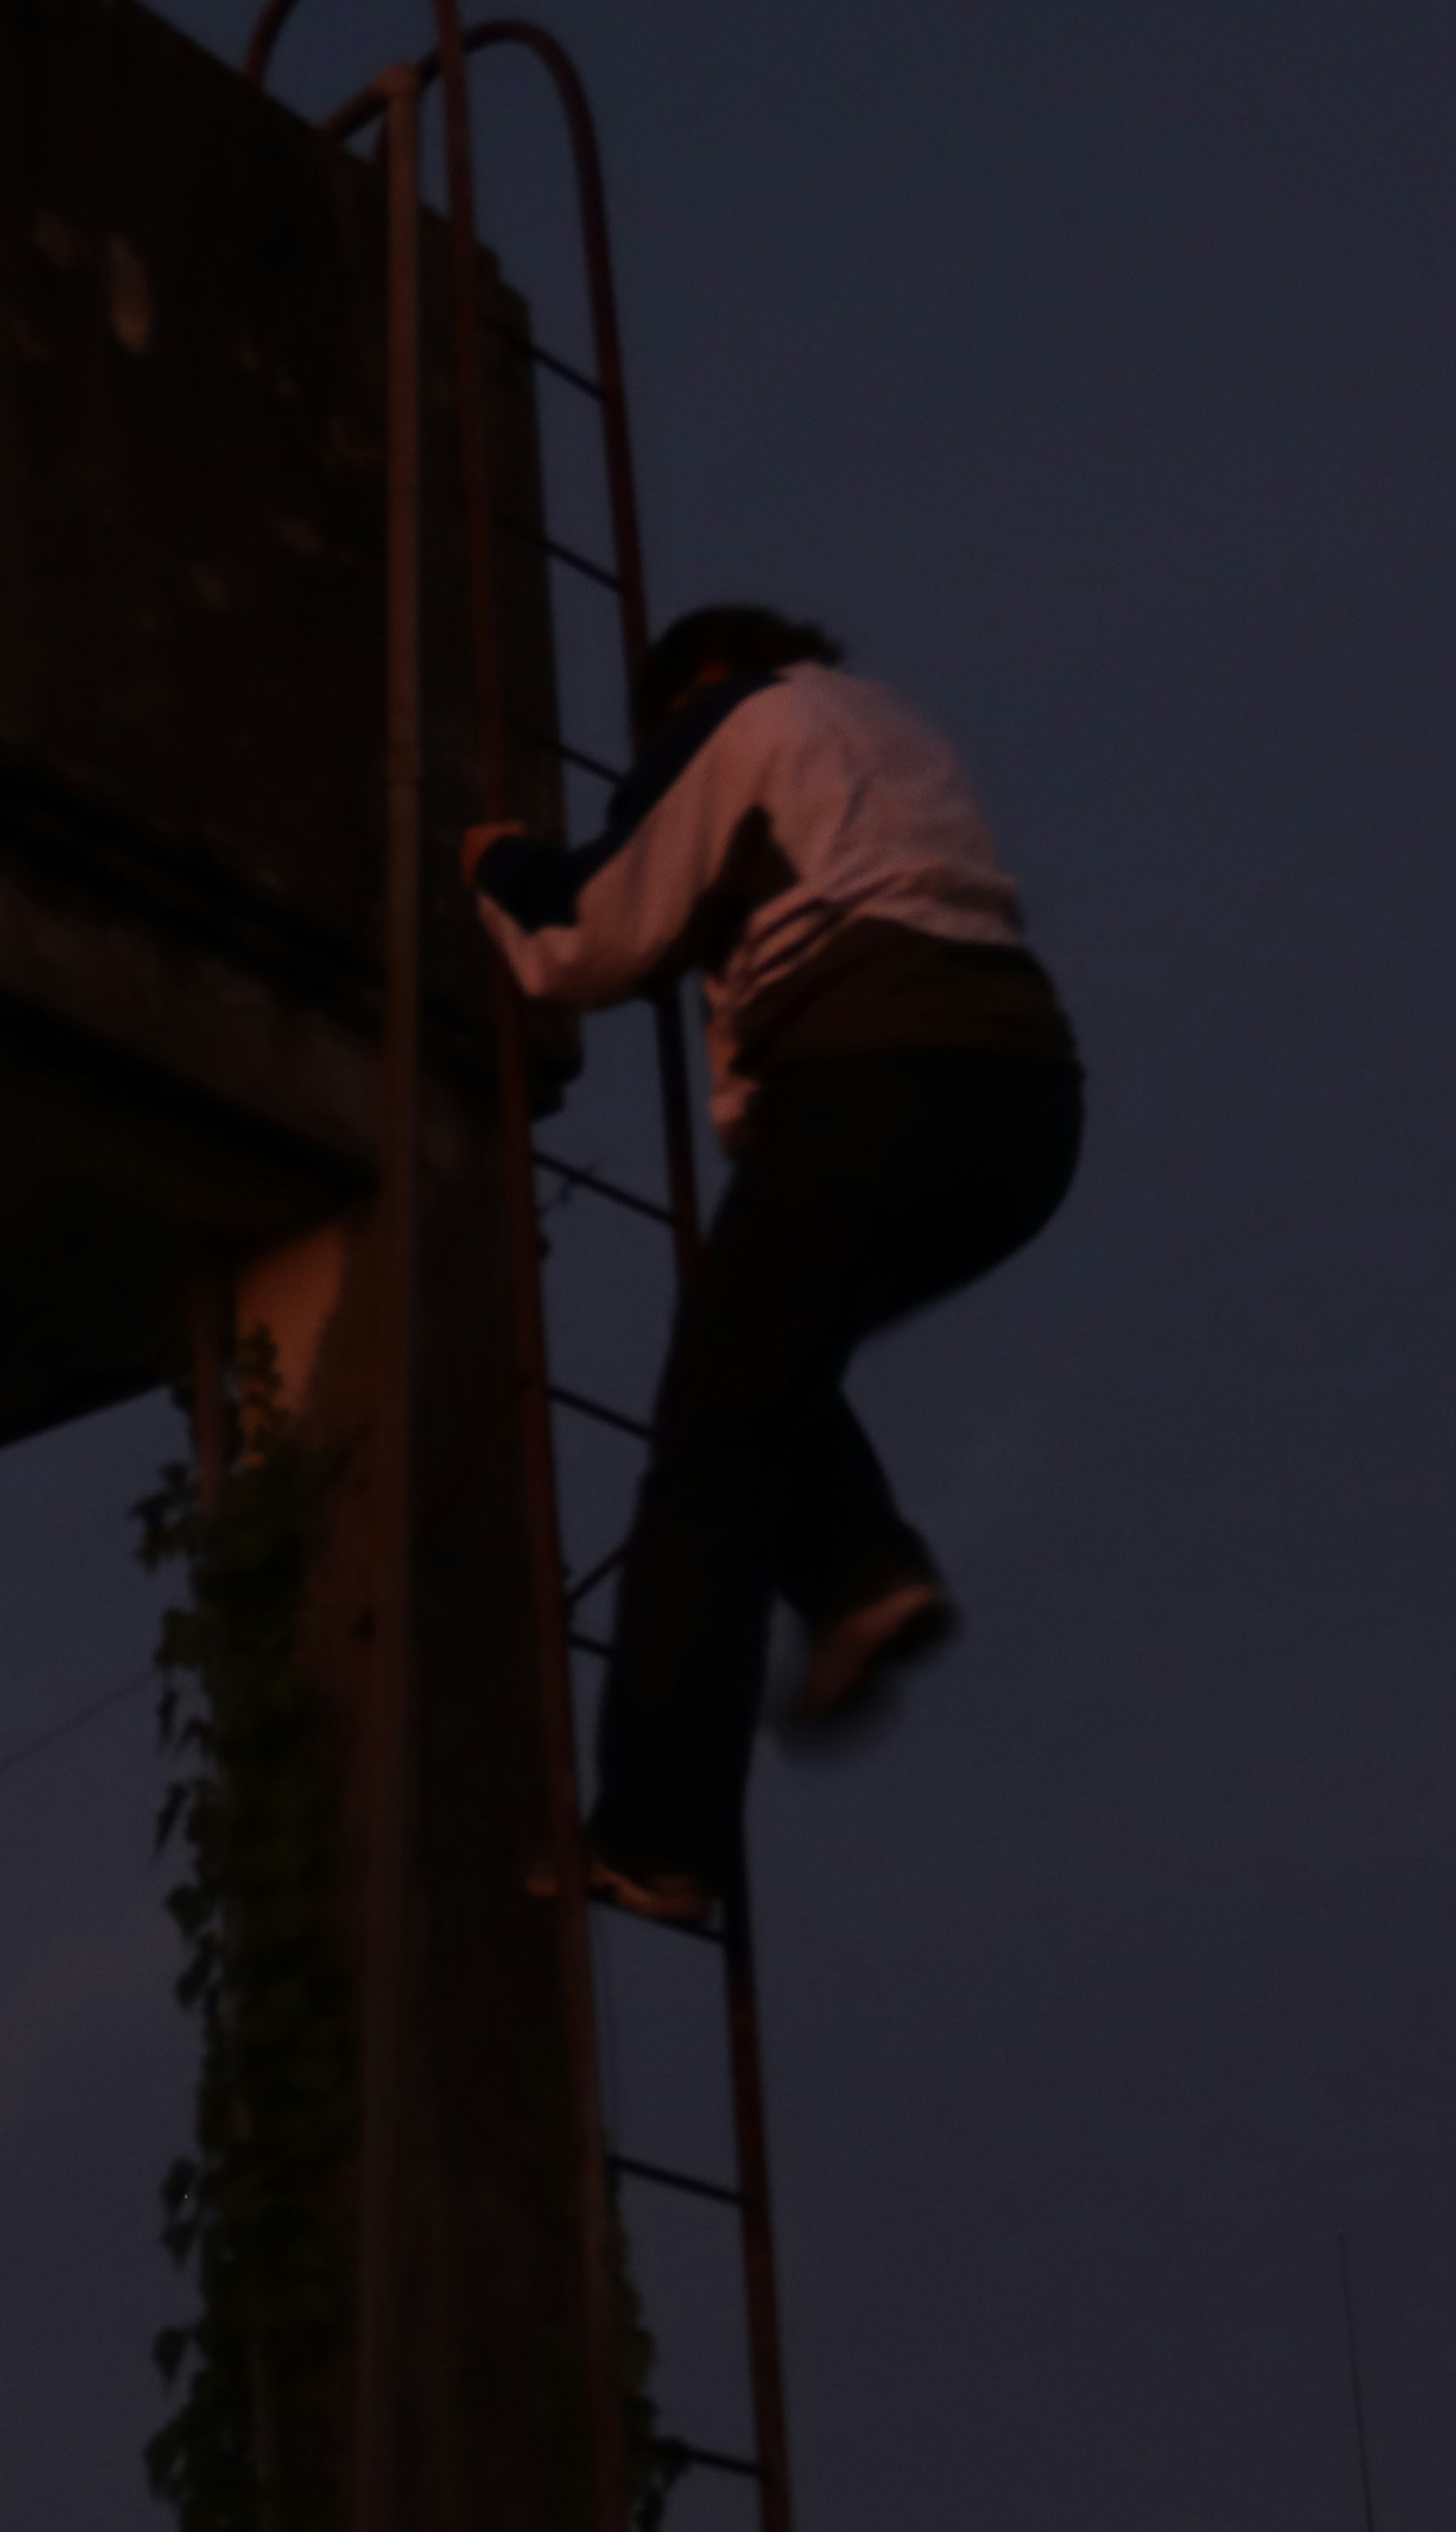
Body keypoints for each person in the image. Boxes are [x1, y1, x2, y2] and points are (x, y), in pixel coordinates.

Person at [463, 604, 1083, 1928]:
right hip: (1024, 1105)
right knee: (762, 1369)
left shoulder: (733, 721)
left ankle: (655, 1839)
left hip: (869, 1085)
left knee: (705, 1459)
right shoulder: (893, 732)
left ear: (686, 689)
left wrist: (499, 867)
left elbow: (589, 936)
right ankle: (861, 1571)